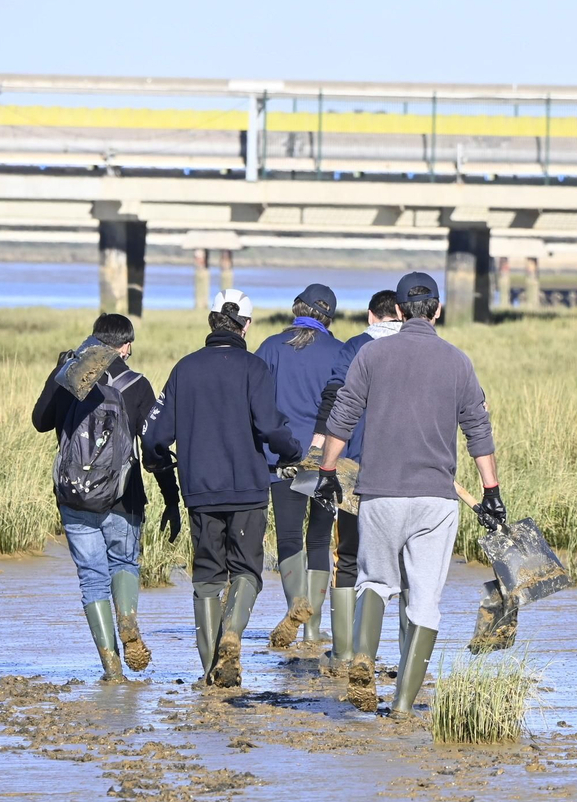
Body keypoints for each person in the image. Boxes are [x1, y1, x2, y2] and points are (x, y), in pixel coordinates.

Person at [317, 272, 505, 715]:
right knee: (423, 600)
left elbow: (342, 415)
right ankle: (402, 703)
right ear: (437, 310)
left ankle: (363, 657)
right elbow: (478, 428)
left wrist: (326, 469)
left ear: (398, 311)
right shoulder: (458, 361)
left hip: (379, 495)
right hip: (436, 501)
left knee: (375, 583)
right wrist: (491, 490)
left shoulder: (371, 355)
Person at [148, 289, 301, 688]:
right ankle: (233, 634)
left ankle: (209, 672)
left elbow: (155, 435)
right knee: (247, 569)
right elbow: (270, 428)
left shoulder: (184, 369)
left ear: (212, 321)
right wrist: (292, 451)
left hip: (199, 490)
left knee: (207, 576)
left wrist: (161, 464)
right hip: (248, 489)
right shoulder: (254, 369)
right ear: (245, 326)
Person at [31, 313, 176, 682]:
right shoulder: (137, 384)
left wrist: (58, 372)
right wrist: (171, 498)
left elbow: (40, 421)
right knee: (124, 562)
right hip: (123, 498)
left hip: (75, 497)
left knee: (92, 580)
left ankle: (111, 667)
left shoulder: (69, 377)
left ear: (93, 342)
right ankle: (127, 620)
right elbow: (154, 447)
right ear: (125, 346)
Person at [311, 288, 402, 667]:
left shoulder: (353, 349)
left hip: (355, 471)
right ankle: (393, 651)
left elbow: (335, 397)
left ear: (370, 316)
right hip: (408, 473)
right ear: (401, 313)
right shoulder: (424, 348)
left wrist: (322, 452)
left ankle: (345, 650)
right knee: (401, 564)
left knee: (348, 555)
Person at [253, 283, 343, 648]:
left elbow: (254, 400)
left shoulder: (271, 348)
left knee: (289, 538)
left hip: (281, 459)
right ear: (329, 317)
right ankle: (310, 628)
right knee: (320, 538)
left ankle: (296, 606)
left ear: (297, 309)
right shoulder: (341, 352)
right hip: (328, 463)